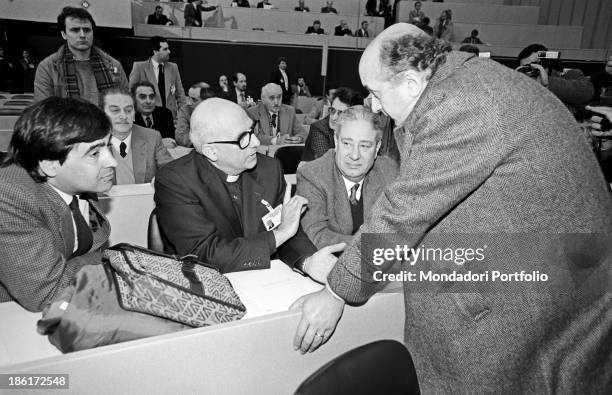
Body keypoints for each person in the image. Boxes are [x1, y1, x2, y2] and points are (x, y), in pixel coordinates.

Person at [290, 23, 612, 393]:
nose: (374, 105)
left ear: (411, 82)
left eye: (375, 92)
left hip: (538, 296)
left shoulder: (460, 105)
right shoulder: (463, 81)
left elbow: (404, 212)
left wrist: (336, 292)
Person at [154, 98, 344, 280]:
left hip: (264, 281)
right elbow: (205, 254)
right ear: (211, 151)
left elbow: (290, 231)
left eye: (252, 131)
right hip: (207, 286)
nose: (255, 142)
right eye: (243, 138)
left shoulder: (269, 169)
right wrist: (279, 235)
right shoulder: (176, 180)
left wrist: (307, 262)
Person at [0, 97, 116, 312]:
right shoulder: (8, 196)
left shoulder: (77, 180)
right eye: (95, 153)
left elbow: (93, 245)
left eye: (108, 147)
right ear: (51, 165)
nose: (111, 161)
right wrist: (109, 260)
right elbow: (47, 293)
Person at [297, 106, 398, 248]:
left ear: (377, 148)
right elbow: (318, 235)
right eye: (347, 144)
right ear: (336, 142)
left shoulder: (390, 172)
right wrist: (375, 246)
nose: (354, 155)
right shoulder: (312, 175)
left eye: (364, 146)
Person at [34, 6, 128, 105]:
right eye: (75, 30)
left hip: (105, 120)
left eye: (87, 30)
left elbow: (126, 105)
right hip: (66, 120)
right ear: (64, 34)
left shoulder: (113, 65)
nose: (82, 35)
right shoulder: (47, 67)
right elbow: (44, 111)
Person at [101, 89, 173, 184]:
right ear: (102, 115)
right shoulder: (91, 140)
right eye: (115, 110)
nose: (123, 116)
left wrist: (162, 179)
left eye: (128, 110)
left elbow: (171, 170)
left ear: (134, 114)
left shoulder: (152, 137)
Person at [517, 44, 594, 110]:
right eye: (524, 68)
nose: (527, 71)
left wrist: (546, 82)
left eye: (531, 66)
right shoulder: (523, 83)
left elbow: (587, 92)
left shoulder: (570, 75)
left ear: (546, 65)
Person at [129, 36, 187, 120]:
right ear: (155, 51)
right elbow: (131, 93)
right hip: (148, 117)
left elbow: (180, 95)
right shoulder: (139, 67)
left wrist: (184, 117)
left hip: (170, 117)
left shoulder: (173, 67)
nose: (169, 51)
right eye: (165, 49)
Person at [301, 87, 363, 161]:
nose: (334, 117)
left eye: (340, 113)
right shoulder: (319, 128)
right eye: (332, 110)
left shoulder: (357, 129)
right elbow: (328, 164)